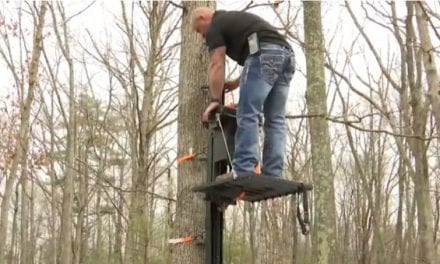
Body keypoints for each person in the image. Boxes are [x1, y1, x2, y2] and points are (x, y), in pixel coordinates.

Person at [191, 7, 295, 179]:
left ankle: (243, 169)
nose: (201, 36)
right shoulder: (233, 20)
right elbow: (258, 58)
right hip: (286, 56)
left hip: (265, 54)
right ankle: (273, 174)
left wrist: (215, 100)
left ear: (203, 18)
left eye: (198, 30)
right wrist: (238, 82)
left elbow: (217, 63)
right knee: (275, 119)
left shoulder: (215, 25)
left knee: (247, 113)